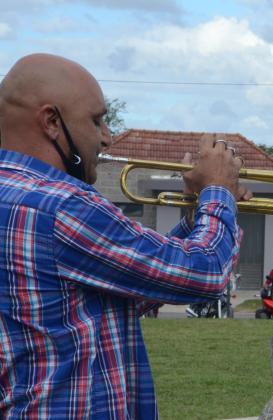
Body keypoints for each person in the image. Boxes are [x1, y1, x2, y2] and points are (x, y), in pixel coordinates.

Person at [0, 53, 251, 418]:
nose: (107, 136)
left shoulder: (15, 197)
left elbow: (122, 293)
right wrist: (218, 190)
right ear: (51, 121)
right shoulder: (64, 206)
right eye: (97, 120)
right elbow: (206, 274)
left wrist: (202, 213)